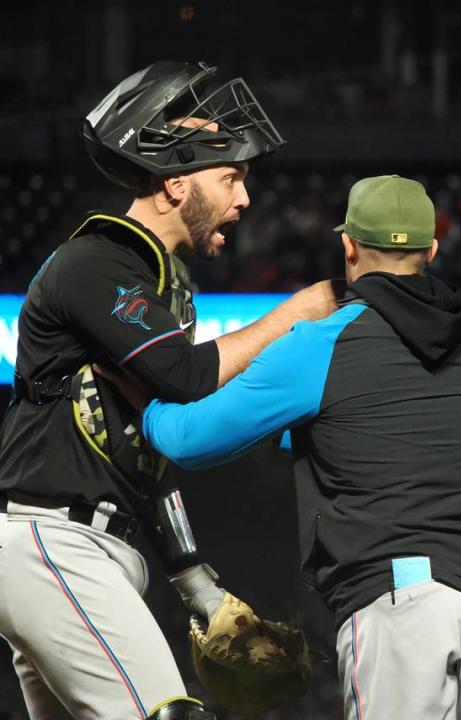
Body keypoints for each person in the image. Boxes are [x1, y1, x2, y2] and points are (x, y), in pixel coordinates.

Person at [120, 175, 461, 720]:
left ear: (349, 246)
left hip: (400, 597)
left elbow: (187, 439)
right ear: (431, 250)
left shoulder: (324, 341)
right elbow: (367, 429)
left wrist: (135, 391)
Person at [0, 61, 336, 720]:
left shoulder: (161, 281)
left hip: (83, 547)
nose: (244, 199)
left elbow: (143, 452)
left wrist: (194, 580)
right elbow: (185, 375)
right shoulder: (97, 262)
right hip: (54, 544)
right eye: (231, 176)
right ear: (176, 184)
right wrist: (296, 314)